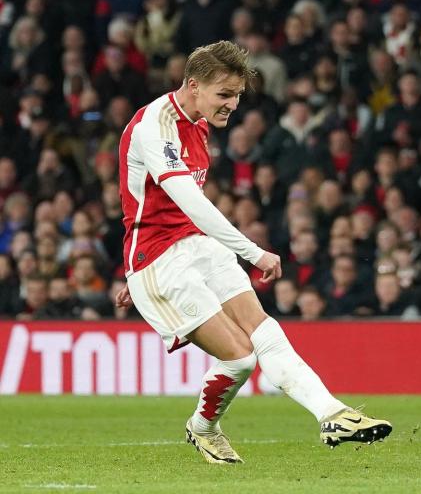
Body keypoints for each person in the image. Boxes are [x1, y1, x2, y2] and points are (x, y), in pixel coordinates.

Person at [114, 41, 391, 464]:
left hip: (195, 248)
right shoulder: (156, 126)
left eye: (238, 95)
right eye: (224, 94)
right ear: (193, 85)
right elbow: (190, 202)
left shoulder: (200, 121)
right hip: (159, 259)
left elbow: (163, 206)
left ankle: (331, 413)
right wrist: (253, 252)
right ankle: (202, 427)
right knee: (240, 359)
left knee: (264, 330)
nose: (232, 105)